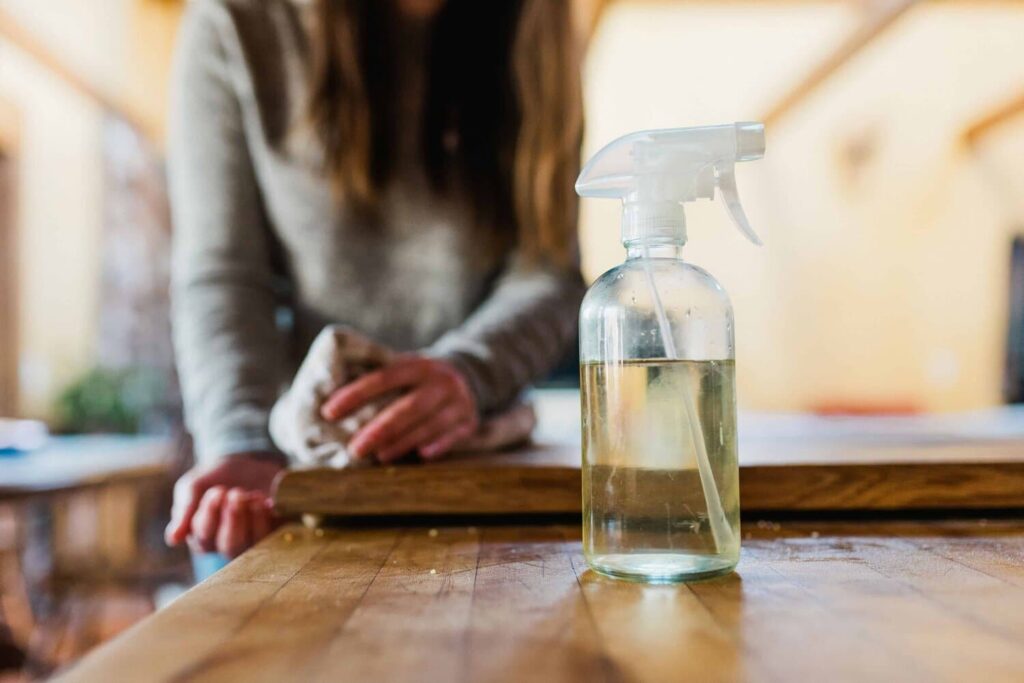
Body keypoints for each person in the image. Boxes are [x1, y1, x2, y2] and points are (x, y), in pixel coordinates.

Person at [163, 0, 585, 560]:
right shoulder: (237, 20)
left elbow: (549, 271)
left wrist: (468, 374)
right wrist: (242, 440)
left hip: (473, 465)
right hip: (287, 468)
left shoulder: (538, 22)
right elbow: (224, 273)